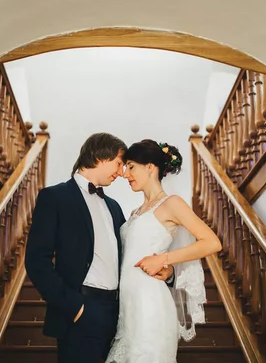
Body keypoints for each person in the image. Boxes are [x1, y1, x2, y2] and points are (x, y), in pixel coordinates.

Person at [25, 133, 174, 363]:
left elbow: (133, 253)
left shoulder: (113, 207)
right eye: (119, 163)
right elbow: (36, 261)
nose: (122, 172)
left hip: (120, 313)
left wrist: (168, 272)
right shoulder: (55, 197)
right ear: (101, 156)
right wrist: (73, 306)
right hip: (81, 310)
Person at [106, 139, 222, 363]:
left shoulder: (172, 203)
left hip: (151, 306)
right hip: (128, 307)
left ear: (150, 167)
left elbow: (211, 242)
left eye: (131, 167)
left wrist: (164, 260)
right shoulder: (134, 212)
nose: (125, 174)